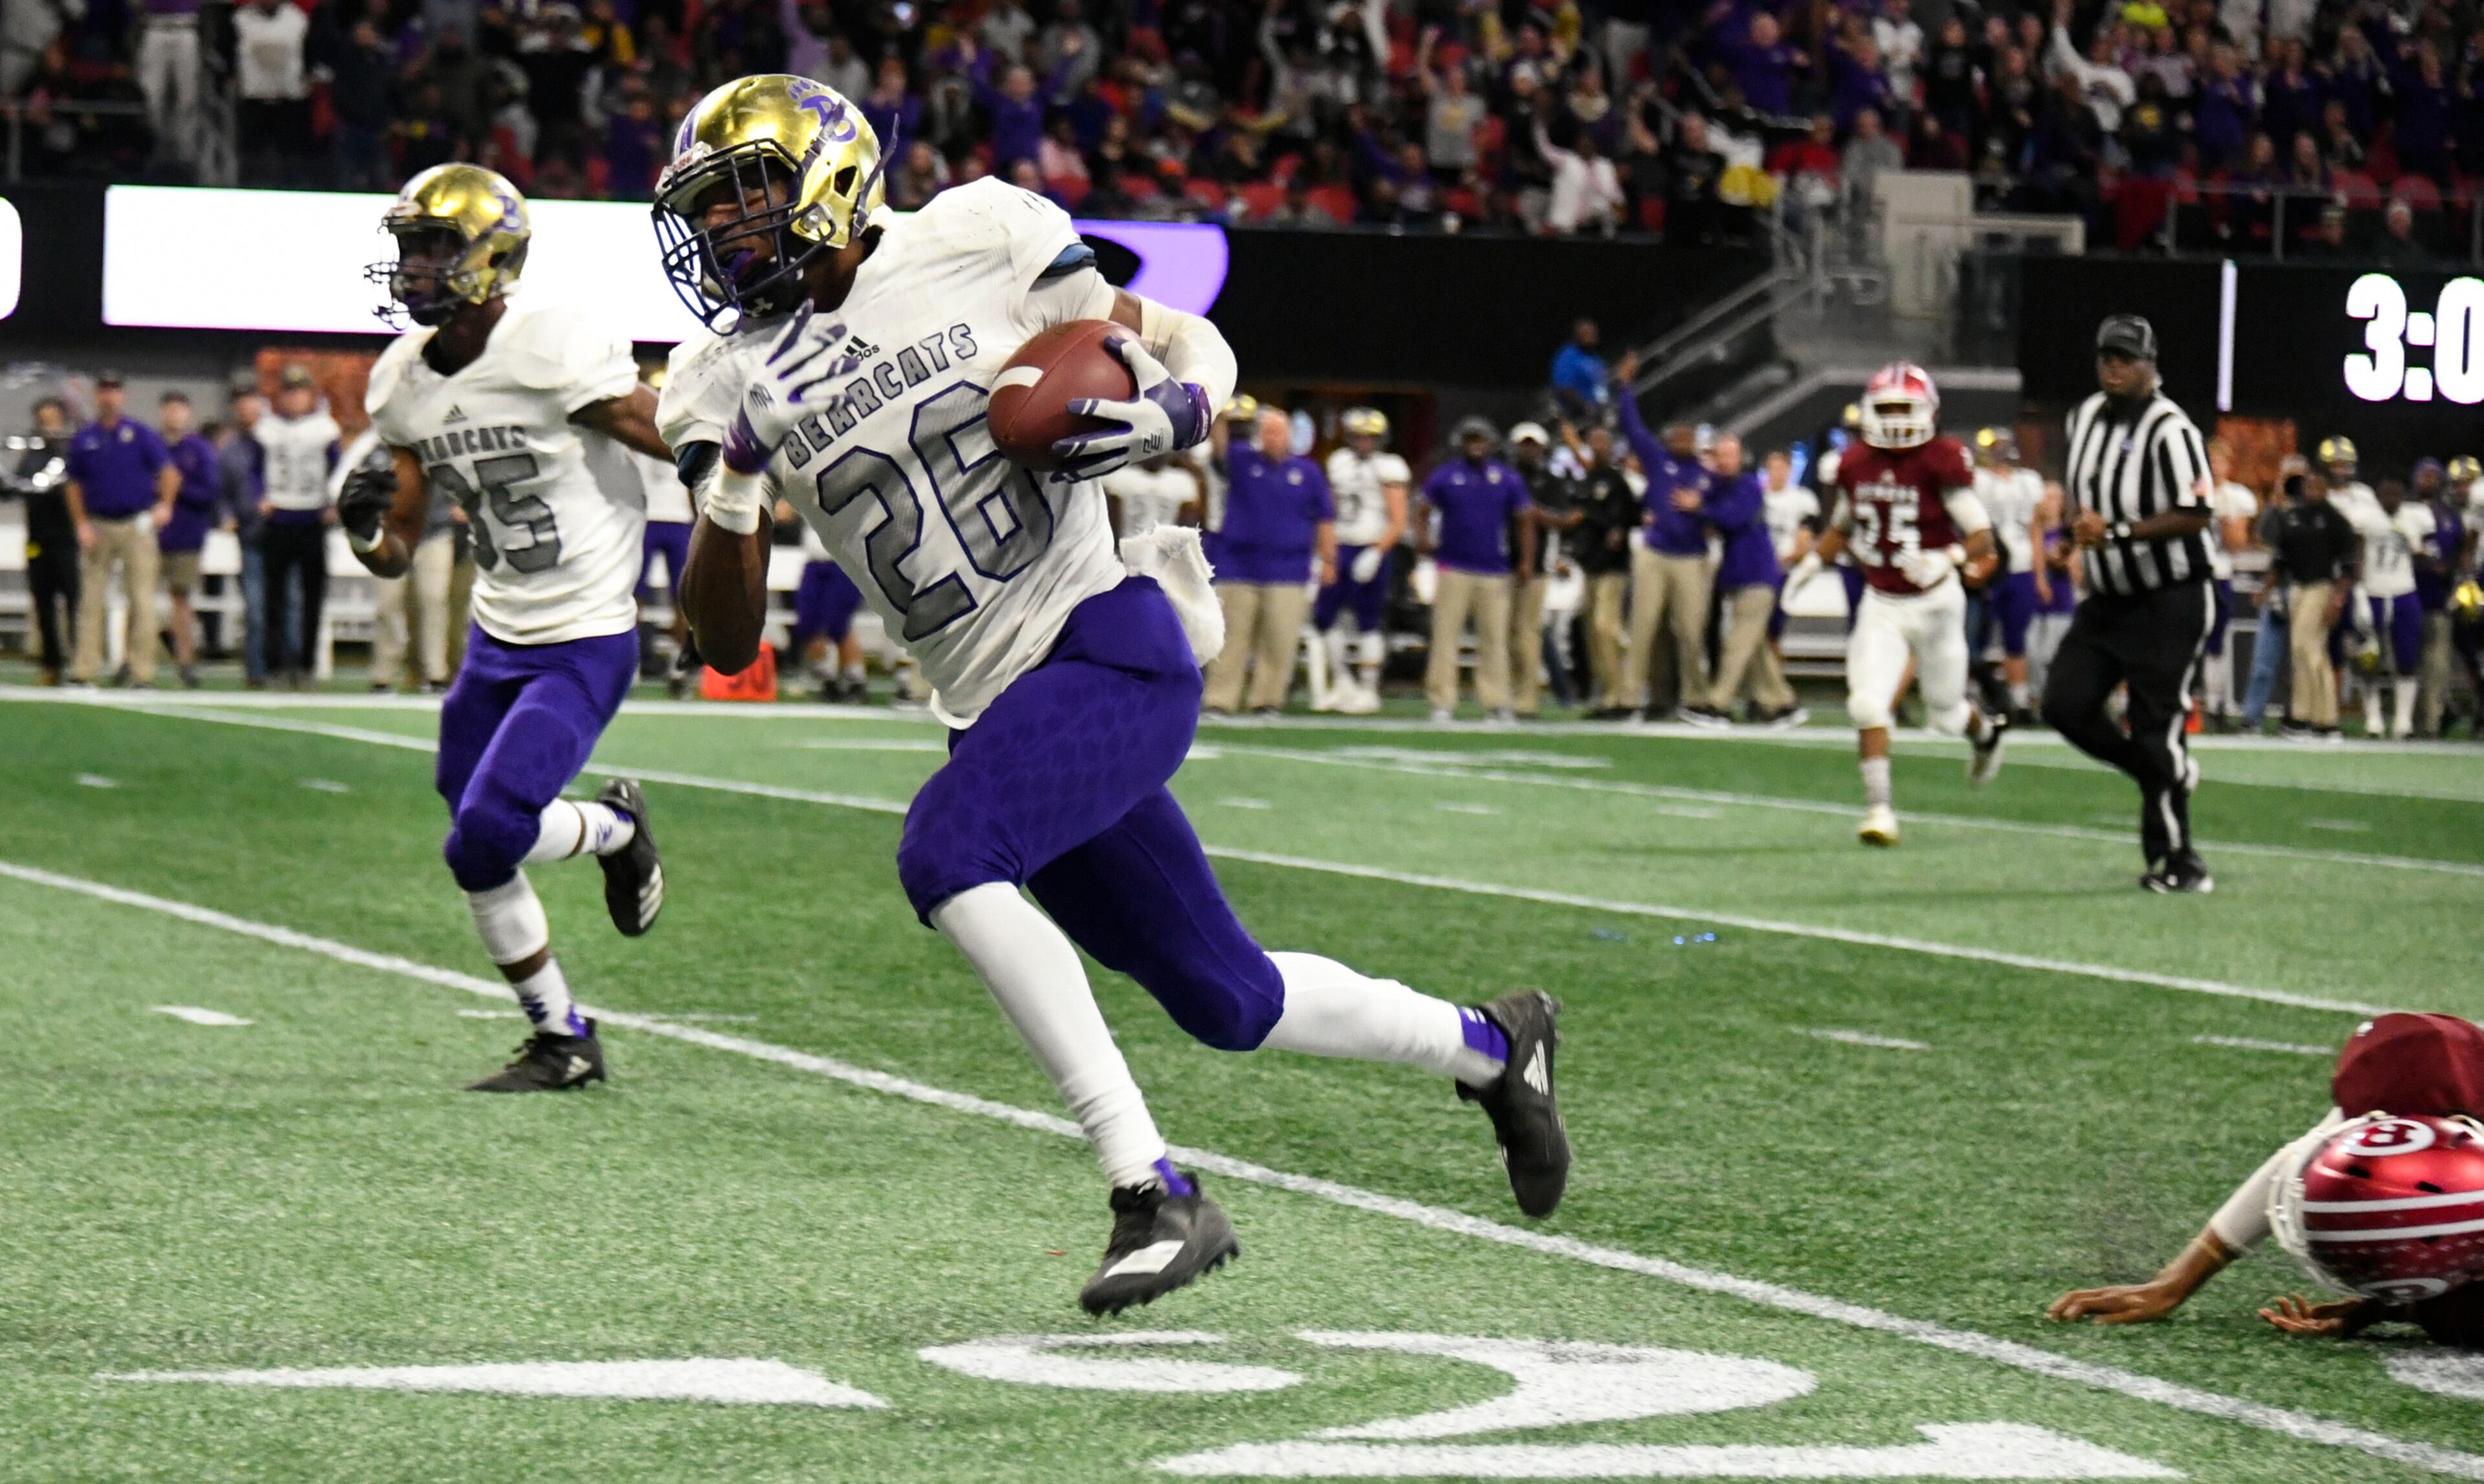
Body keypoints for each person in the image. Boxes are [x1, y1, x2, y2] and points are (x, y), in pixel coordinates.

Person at [659, 75, 1568, 1316]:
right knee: (1228, 997)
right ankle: (1491, 1043)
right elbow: (721, 637)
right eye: (708, 214)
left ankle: (1154, 1190)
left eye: (745, 200)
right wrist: (736, 482)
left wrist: (1176, 407)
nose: (724, 235)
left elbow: (1185, 335)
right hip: (996, 705)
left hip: (1106, 641)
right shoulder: (716, 375)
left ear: (832, 178)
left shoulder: (975, 236)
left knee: (947, 845)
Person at [344, 164, 672, 1092]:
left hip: (585, 633)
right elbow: (401, 542)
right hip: (496, 634)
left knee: (484, 832)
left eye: (437, 247)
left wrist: (744, 472)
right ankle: (564, 1036)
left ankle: (613, 831)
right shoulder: (402, 381)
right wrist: (369, 537)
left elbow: (677, 438)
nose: (415, 267)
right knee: (472, 824)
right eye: (409, 248)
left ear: (494, 254)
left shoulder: (553, 344)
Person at [2049, 1012, 2484, 1350]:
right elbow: (2296, 1162)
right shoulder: (2421, 1088)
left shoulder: (2454, 1106)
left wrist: (2409, 1306)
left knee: (2459, 1321)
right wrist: (2173, 1284)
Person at [1786, 363, 2007, 845]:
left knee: (1946, 715)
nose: (1895, 418)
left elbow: (1982, 538)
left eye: (1904, 408)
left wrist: (1945, 558)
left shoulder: (1942, 459)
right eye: (1886, 409)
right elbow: (1843, 526)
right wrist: (1809, 565)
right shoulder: (1856, 462)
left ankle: (1985, 733)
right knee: (1867, 704)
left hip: (1936, 602)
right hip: (1882, 601)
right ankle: (1880, 811)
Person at [2044, 316, 2220, 891]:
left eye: (2126, 357)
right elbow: (2085, 499)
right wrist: (2072, 540)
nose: (2115, 367)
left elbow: (2197, 513)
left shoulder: (2172, 429)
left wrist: (2115, 533)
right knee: (2063, 704)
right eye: (2107, 357)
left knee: (2156, 726)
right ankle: (2159, 771)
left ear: (2150, 364)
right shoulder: (2086, 417)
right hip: (2110, 599)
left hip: (2170, 599)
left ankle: (2181, 861)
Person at [1204, 406, 1335, 716]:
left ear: (1290, 437)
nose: (1272, 438)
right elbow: (1218, 447)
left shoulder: (1309, 472)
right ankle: (1220, 700)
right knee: (1231, 639)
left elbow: (1325, 519)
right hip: (1238, 566)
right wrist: (1219, 409)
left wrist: (1329, 560)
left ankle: (1267, 700)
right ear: (1258, 435)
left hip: (1289, 569)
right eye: (1268, 432)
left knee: (1279, 640)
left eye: (1278, 432)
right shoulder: (1241, 459)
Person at [1610, 358, 1717, 721]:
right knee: (1642, 626)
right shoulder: (1657, 461)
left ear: (1696, 443)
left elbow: (1721, 513)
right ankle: (1629, 698)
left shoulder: (1706, 475)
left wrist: (1701, 507)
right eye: (1677, 437)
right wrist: (1626, 388)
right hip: (1655, 554)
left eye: (1688, 438)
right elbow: (1632, 427)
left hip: (1691, 557)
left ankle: (1695, 697)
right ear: (1670, 440)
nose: (1682, 442)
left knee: (1690, 631)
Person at [63, 371, 179, 689]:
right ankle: (85, 668)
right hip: (99, 523)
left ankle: (139, 671)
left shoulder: (140, 434)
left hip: (136, 523)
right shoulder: (85, 438)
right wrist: (82, 523)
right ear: (97, 396)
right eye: (104, 391)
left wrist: (165, 505)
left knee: (142, 599)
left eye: (114, 391)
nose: (109, 397)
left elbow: (169, 472)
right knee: (91, 599)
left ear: (122, 396)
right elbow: (73, 485)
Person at [1417, 417, 1531, 723]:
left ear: (1491, 444)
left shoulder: (1505, 478)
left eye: (1481, 440)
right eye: (1471, 440)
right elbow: (1424, 507)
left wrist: (1526, 560)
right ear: (1462, 443)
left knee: (1494, 639)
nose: (1476, 446)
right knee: (1445, 637)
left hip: (1494, 568)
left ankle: (1497, 701)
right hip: (1453, 566)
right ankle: (1443, 701)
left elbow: (1524, 518)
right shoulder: (1446, 476)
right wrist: (1424, 540)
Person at [1690, 433, 1798, 725]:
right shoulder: (1721, 487)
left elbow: (1732, 518)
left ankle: (1718, 703)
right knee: (1756, 647)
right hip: (1742, 576)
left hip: (1757, 576)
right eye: (1720, 456)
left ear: (1740, 458)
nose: (1724, 461)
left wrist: (1699, 507)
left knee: (1737, 643)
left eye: (1730, 455)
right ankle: (1784, 704)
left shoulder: (1748, 486)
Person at [1313, 407, 1408, 715]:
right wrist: (1324, 552)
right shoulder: (1339, 462)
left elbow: (1399, 519)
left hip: (1370, 547)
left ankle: (1368, 688)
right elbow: (1328, 510)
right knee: (1325, 618)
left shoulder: (1391, 466)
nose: (1365, 442)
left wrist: (1377, 552)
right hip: (1340, 546)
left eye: (1371, 437)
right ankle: (1343, 681)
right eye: (1359, 436)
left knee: (1369, 621)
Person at [252, 366, 341, 689]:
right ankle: (275, 665)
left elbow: (337, 468)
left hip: (312, 518)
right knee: (273, 597)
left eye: (301, 392)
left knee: (312, 598)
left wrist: (333, 502)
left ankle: (306, 665)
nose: (295, 398)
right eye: (290, 392)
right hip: (279, 517)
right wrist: (259, 496)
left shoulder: (324, 429)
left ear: (310, 396)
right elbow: (254, 469)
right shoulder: (268, 429)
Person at [2265, 463, 2359, 742]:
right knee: (2302, 652)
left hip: (2322, 587)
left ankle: (2327, 721)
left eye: (2318, 486)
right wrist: (2264, 590)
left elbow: (2347, 568)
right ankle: (2304, 718)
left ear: (2327, 489)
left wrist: (2338, 599)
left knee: (2308, 648)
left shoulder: (2336, 521)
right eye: (2309, 485)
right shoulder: (2293, 517)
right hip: (2297, 588)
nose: (2312, 491)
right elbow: (2280, 561)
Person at [633, 362, 700, 698]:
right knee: (632, 595)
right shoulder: (636, 423)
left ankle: (679, 664)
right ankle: (627, 663)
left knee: (684, 598)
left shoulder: (687, 426)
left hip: (675, 519)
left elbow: (695, 477)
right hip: (645, 518)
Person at [1971, 428, 2047, 723]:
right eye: (1994, 447)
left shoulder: (2029, 482)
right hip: (1990, 567)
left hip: (2021, 566)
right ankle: (1977, 697)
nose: (1999, 452)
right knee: (1978, 639)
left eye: (2003, 446)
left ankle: (2019, 700)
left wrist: (2039, 575)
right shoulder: (1978, 481)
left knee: (2016, 637)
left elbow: (2035, 530)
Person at [2349, 475, 2432, 739]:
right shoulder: (2367, 518)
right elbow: (2359, 555)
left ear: (2404, 494)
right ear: (2378, 494)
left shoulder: (2415, 518)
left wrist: (2418, 547)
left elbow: (2424, 559)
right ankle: (2373, 720)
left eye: (2395, 494)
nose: (2390, 500)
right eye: (2386, 494)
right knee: (2369, 657)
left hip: (2404, 591)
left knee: (2407, 657)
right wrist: (2360, 591)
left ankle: (2403, 721)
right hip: (2373, 591)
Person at [1569, 421, 1642, 717]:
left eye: (1603, 442)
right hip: (1590, 566)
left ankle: (1623, 695)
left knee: (1606, 627)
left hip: (1613, 567)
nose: (1598, 447)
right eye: (1594, 442)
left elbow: (1629, 518)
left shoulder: (1617, 482)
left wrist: (1612, 528)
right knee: (1592, 632)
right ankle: (1606, 695)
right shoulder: (1586, 481)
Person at [5, 398, 78, 684]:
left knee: (74, 602)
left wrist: (41, 488)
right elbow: (15, 486)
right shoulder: (31, 456)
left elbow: (69, 490)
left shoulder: (69, 455)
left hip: (66, 540)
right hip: (37, 540)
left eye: (53, 419)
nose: (48, 425)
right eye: (43, 420)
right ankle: (52, 665)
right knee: (43, 604)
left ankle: (80, 664)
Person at [1507, 422, 1578, 719]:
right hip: (1499, 562)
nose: (1529, 450)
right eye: (1524, 444)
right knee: (1506, 635)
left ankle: (1526, 699)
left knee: (1529, 633)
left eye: (1533, 445)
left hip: (1535, 566)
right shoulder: (1505, 477)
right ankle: (1506, 695)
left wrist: (1532, 513)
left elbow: (1564, 519)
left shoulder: (1551, 480)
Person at [154, 390, 220, 689]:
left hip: (186, 534)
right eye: (170, 409)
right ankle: (132, 661)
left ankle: (185, 662)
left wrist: (177, 489)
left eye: (180, 409)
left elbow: (209, 494)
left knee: (181, 598)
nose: (175, 415)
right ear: (162, 413)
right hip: (151, 534)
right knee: (139, 599)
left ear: (188, 414)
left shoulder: (199, 449)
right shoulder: (151, 445)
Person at [2199, 437, 2258, 730]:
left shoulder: (2237, 497)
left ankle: (2215, 704)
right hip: (2192, 574)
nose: (2215, 467)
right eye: (2210, 461)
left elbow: (2237, 545)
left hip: (2221, 573)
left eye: (2220, 461)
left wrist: (2224, 518)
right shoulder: (2191, 492)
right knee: (2186, 640)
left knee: (2217, 643)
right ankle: (2184, 703)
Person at [2413, 459, 2467, 736]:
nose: (2429, 481)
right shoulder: (2406, 510)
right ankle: (2409, 721)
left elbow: (2461, 550)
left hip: (2438, 599)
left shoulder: (2449, 515)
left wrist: (2451, 569)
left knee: (2438, 665)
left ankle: (2432, 724)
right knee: (2409, 664)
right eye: (2424, 476)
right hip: (2408, 598)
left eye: (2434, 476)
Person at [1549, 317, 1608, 417]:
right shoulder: (1567, 356)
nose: (1590, 336)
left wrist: (1604, 405)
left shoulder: (1596, 359)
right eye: (1586, 333)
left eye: (1592, 333)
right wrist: (1587, 408)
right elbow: (1564, 388)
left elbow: (1601, 386)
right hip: (1579, 417)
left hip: (1601, 413)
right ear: (1577, 335)